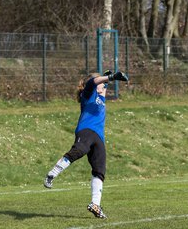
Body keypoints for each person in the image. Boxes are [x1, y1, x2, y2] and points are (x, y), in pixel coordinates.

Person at [44, 70, 128, 218]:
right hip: (86, 130)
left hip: (99, 137)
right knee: (79, 150)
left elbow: (100, 84)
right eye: (102, 84)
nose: (105, 87)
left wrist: (106, 78)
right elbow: (92, 82)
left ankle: (95, 204)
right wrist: (110, 77)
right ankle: (52, 174)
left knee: (100, 170)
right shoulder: (88, 94)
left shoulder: (101, 98)